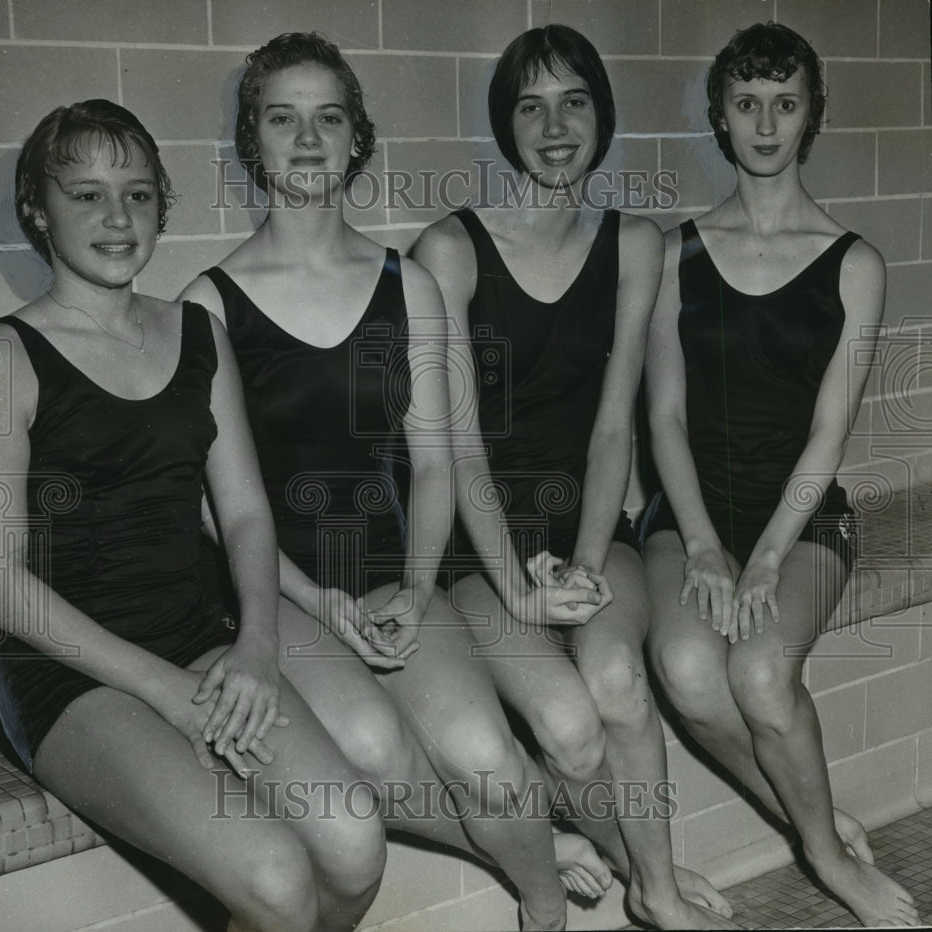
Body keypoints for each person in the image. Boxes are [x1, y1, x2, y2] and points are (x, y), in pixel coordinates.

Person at [180, 33, 610, 931]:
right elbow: (217, 508)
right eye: (282, 118)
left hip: (390, 572)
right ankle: (537, 845)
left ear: (357, 140)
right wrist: (309, 597)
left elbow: (436, 462)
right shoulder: (209, 305)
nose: (306, 139)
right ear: (251, 143)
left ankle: (543, 905)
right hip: (280, 592)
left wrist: (417, 589)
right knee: (373, 748)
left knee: (488, 755)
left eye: (328, 118)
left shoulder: (406, 286)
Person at [0, 99, 386, 932]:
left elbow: (248, 515)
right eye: (87, 195)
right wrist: (170, 695)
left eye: (140, 194)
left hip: (201, 636)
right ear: (39, 209)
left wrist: (256, 647)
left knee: (355, 842)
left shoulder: (198, 334)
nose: (118, 218)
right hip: (64, 670)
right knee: (273, 876)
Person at [413, 24, 735, 930]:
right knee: (566, 722)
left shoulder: (636, 245)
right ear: (504, 125)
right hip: (475, 553)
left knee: (621, 682)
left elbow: (609, 430)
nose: (555, 127)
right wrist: (519, 587)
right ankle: (619, 866)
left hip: (588, 527)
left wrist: (583, 566)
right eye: (530, 105)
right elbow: (459, 449)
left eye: (575, 101)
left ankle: (661, 894)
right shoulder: (452, 251)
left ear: (603, 115)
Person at [642, 22, 919, 927]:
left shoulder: (855, 264)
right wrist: (704, 546)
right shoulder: (671, 253)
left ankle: (830, 860)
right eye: (747, 104)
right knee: (687, 668)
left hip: (802, 520)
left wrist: (760, 558)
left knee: (760, 675)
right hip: (690, 515)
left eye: (785, 103)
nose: (766, 123)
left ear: (811, 117)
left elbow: (828, 438)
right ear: (721, 118)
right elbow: (666, 418)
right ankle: (804, 820)